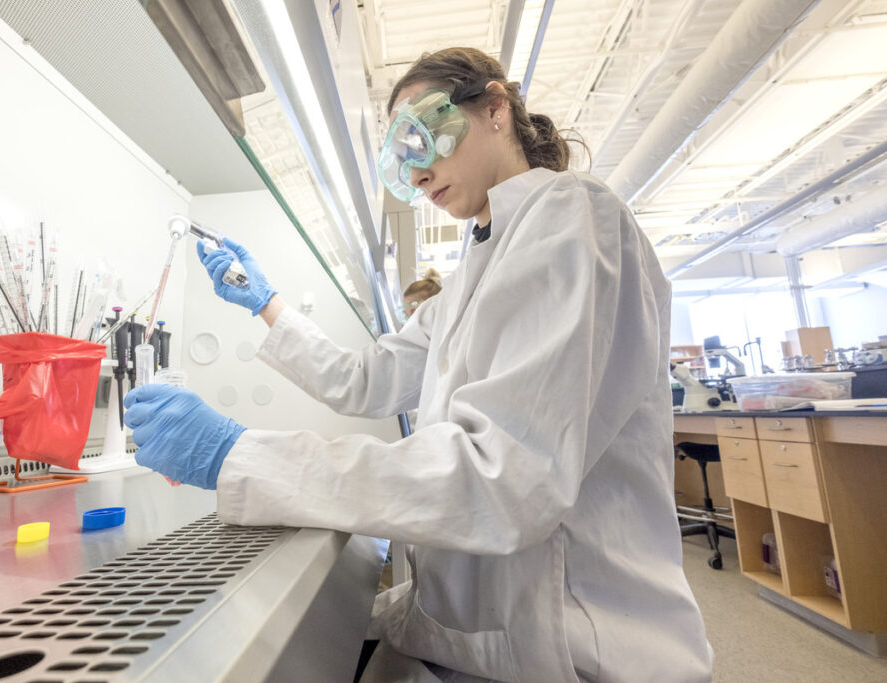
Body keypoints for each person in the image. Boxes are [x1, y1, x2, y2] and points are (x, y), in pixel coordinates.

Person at [124, 47, 713, 682]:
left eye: (421, 135)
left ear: (494, 107)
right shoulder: (465, 285)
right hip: (493, 637)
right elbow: (364, 379)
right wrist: (264, 303)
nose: (417, 170)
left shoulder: (571, 213)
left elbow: (501, 479)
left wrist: (238, 454)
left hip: (578, 648)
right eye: (400, 159)